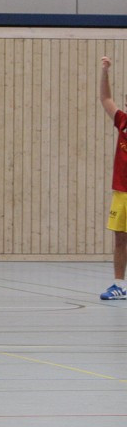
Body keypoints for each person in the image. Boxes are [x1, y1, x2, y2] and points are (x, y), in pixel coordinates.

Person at [99, 56, 127, 300]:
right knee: (120, 237)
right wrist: (105, 72)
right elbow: (106, 99)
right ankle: (119, 284)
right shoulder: (123, 121)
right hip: (122, 190)